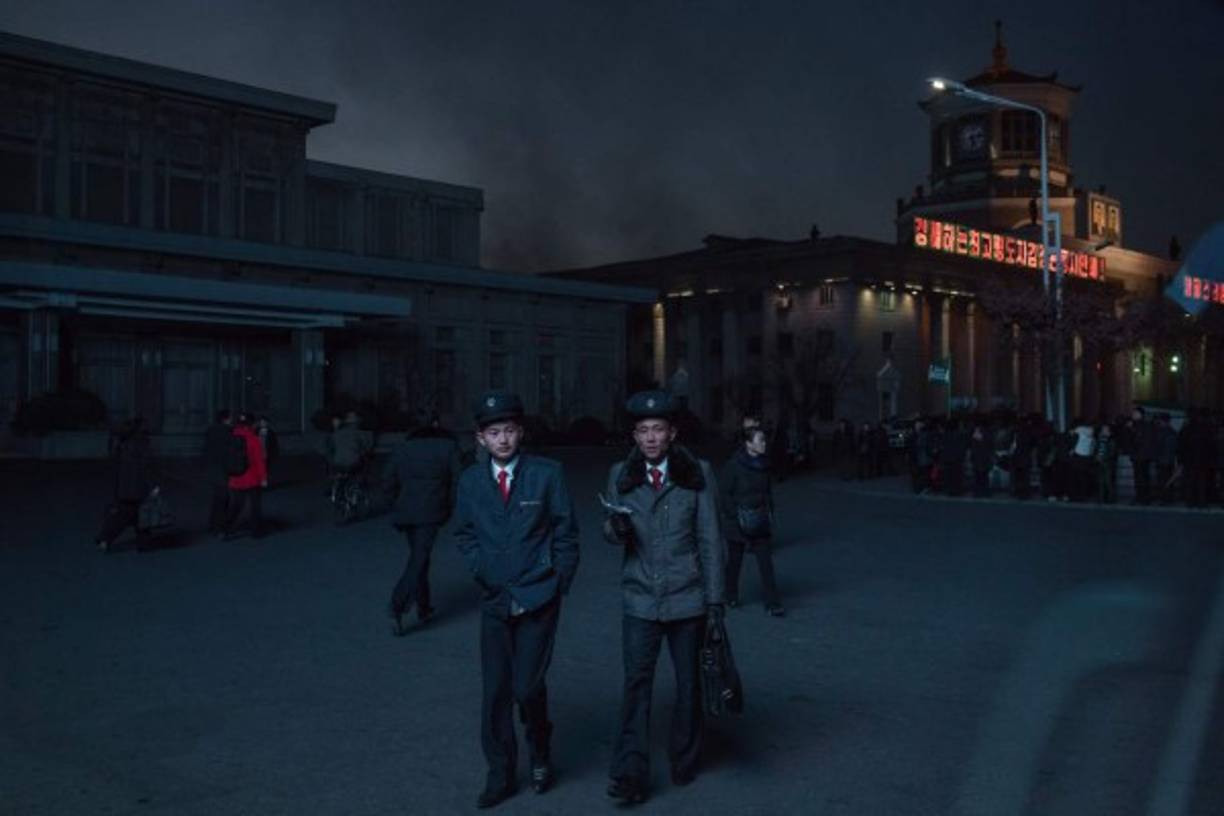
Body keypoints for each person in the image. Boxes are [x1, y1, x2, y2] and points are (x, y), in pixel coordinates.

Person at [452, 391, 579, 809]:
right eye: (494, 432)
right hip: (494, 598)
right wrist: (481, 569)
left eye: (508, 431)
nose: (502, 439)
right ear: (481, 438)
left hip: (538, 597)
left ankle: (540, 750)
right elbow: (465, 533)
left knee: (526, 687)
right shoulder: (470, 481)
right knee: (495, 694)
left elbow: (565, 532)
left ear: (520, 432)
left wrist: (556, 580)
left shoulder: (546, 474)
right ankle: (500, 774)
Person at [604, 390, 725, 806]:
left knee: (688, 683)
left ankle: (684, 759)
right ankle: (629, 773)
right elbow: (610, 526)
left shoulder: (699, 473)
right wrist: (614, 531)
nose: (651, 438)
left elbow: (711, 540)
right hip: (640, 599)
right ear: (634, 436)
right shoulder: (620, 474)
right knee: (636, 686)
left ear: (672, 433)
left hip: (688, 598)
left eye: (658, 430)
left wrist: (715, 603)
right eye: (643, 431)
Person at [382, 414, 462, 635]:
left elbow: (387, 479)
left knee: (419, 556)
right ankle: (397, 604)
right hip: (431, 510)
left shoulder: (403, 448)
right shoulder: (448, 447)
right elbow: (458, 480)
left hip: (406, 511)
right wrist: (450, 506)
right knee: (419, 557)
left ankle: (424, 606)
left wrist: (394, 505)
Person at [721, 425, 784, 616]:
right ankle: (730, 595)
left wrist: (769, 513)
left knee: (766, 563)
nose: (764, 443)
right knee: (735, 561)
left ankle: (772, 603)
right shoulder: (734, 466)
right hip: (738, 521)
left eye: (764, 440)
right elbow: (724, 494)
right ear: (749, 444)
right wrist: (735, 515)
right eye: (760, 440)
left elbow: (767, 492)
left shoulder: (764, 465)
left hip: (760, 519)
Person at [95, 417, 158, 553]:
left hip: (124, 488)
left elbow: (116, 466)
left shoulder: (122, 445)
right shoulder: (142, 445)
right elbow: (146, 468)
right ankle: (141, 544)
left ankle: (105, 539)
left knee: (127, 515)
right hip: (138, 488)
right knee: (140, 516)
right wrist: (152, 486)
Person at [224, 413, 268, 539]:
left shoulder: (230, 437)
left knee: (235, 505)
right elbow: (259, 461)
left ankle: (226, 529)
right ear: (251, 424)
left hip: (235, 477)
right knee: (255, 505)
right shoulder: (254, 439)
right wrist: (263, 478)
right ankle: (255, 531)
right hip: (252, 477)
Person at [202, 409, 233, 535]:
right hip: (222, 468)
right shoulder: (227, 432)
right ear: (225, 419)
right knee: (224, 498)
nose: (232, 420)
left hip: (212, 468)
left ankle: (213, 525)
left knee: (217, 498)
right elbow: (229, 452)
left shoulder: (210, 431)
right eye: (230, 418)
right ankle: (221, 527)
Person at [1095, 423, 1118, 504]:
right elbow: (1096, 449)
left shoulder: (1111, 440)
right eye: (1103, 429)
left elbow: (1112, 452)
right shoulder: (1099, 439)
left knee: (1108, 482)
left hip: (1107, 463)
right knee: (1100, 481)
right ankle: (1101, 498)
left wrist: (1103, 458)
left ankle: (1110, 499)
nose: (1103, 431)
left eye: (1105, 429)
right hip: (1100, 462)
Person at [970, 424, 993, 498]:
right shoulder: (989, 434)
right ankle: (985, 492)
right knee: (984, 476)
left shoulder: (977, 434)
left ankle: (977, 492)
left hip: (978, 458)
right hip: (985, 457)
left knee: (978, 476)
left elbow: (974, 446)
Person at [256, 415, 280, 489]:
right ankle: (260, 484)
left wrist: (275, 454)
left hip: (266, 454)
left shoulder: (271, 433)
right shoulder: (256, 431)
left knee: (266, 469)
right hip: (258, 454)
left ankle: (264, 484)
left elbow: (274, 445)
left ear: (267, 423)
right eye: (261, 422)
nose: (263, 424)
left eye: (264, 422)